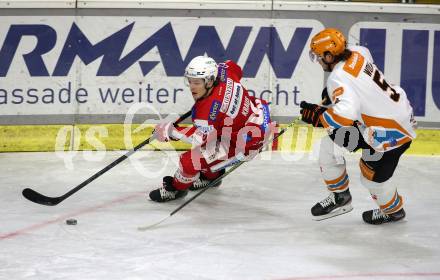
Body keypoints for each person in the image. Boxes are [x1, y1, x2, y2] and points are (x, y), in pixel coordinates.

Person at [301, 28, 416, 224]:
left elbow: (346, 113)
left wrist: (319, 116)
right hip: (396, 117)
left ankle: (393, 211)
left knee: (371, 177)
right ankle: (340, 197)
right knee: (330, 147)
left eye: (320, 57)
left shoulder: (338, 78)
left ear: (329, 56)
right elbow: (361, 72)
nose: (319, 61)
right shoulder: (357, 51)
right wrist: (337, 94)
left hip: (390, 133)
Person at [149, 56, 272, 202]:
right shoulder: (224, 72)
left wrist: (171, 132)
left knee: (190, 161)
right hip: (259, 117)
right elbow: (234, 67)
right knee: (210, 151)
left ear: (209, 81)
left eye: (197, 82)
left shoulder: (206, 112)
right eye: (190, 81)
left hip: (247, 141)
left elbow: (198, 139)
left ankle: (176, 189)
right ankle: (211, 176)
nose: (192, 87)